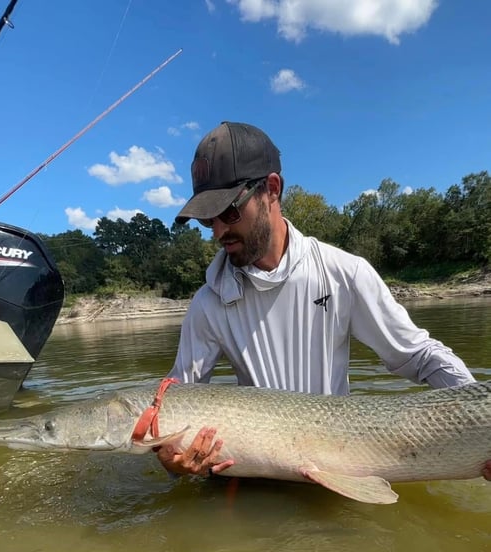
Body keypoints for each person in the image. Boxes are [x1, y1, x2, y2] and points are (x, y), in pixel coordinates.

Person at [156, 121, 491, 483]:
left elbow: (420, 356)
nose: (219, 231)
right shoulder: (207, 303)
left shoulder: (344, 273)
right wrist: (172, 461)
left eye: (229, 211)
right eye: (208, 219)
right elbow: (176, 403)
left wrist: (478, 421)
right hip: (256, 477)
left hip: (342, 465)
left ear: (272, 189)